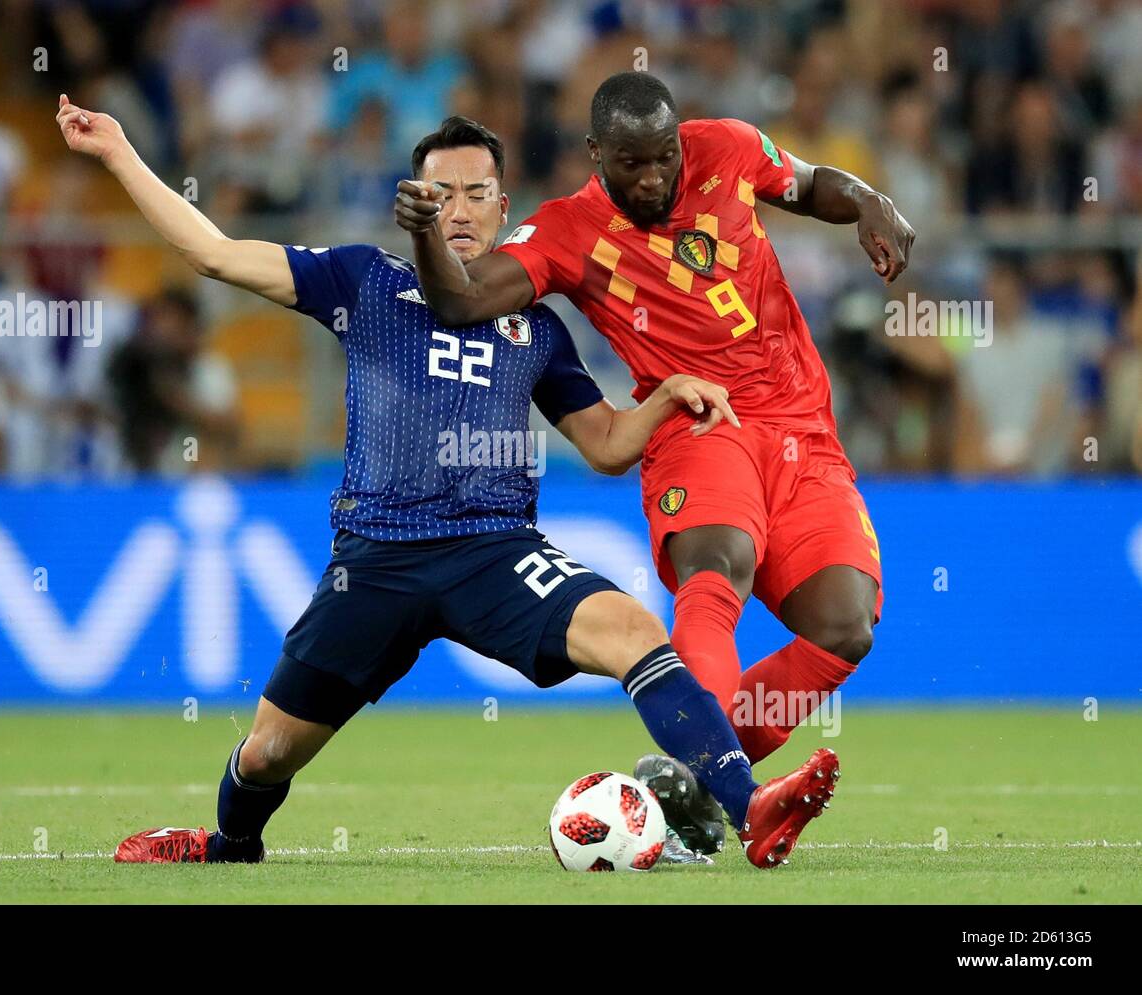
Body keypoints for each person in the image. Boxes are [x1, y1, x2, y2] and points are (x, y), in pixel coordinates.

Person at [56, 99, 842, 869]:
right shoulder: (362, 281)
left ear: (503, 207)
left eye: (475, 194)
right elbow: (214, 252)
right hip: (376, 557)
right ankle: (229, 844)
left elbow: (604, 444)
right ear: (414, 200)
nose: (458, 209)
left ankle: (749, 806)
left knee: (639, 633)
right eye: (440, 193)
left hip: (495, 554)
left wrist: (665, 394)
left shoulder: (532, 323)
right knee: (267, 754)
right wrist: (121, 152)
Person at [395, 72, 912, 855]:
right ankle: (742, 795)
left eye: (665, 157)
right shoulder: (569, 230)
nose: (654, 177)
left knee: (846, 626)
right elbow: (461, 300)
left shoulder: (729, 148)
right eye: (632, 163)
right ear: (597, 154)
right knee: (720, 567)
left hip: (803, 428)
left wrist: (871, 201)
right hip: (697, 420)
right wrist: (428, 235)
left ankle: (688, 781)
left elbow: (808, 185)